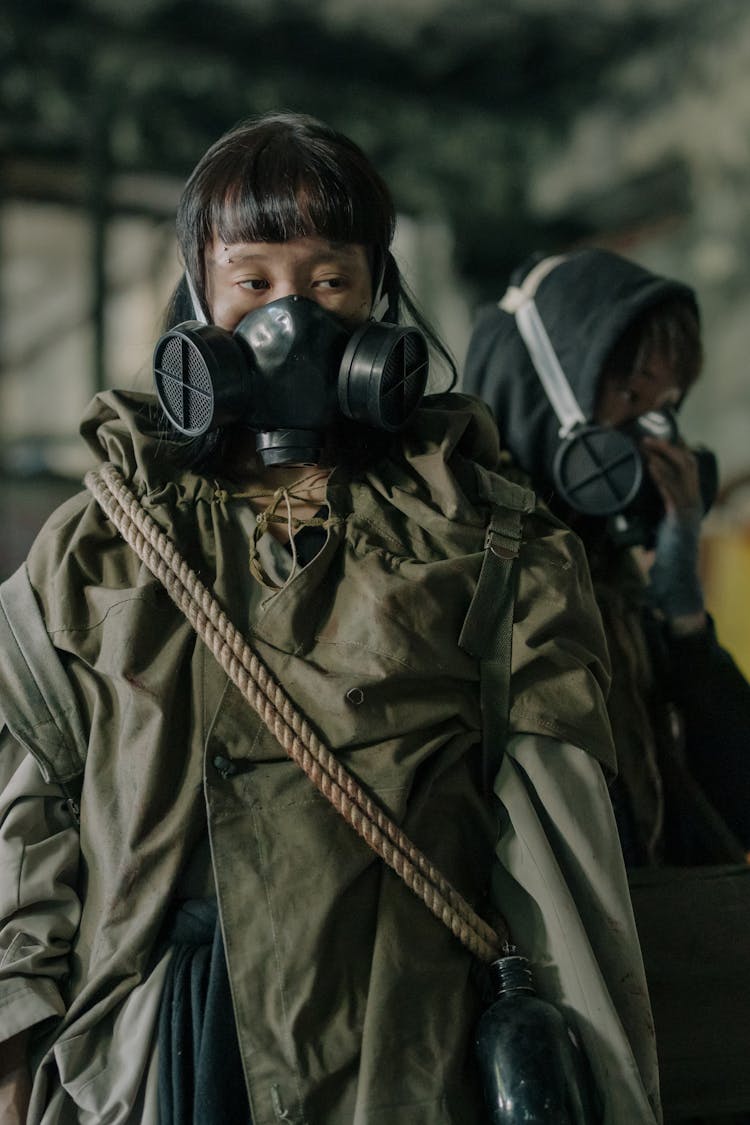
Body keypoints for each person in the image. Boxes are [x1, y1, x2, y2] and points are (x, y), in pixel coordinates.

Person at [0, 115, 659, 1124]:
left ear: (376, 297)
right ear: (200, 297)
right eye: (253, 282)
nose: (288, 317)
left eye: (328, 280)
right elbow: (26, 803)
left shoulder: (484, 535)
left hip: (405, 1037)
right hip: (168, 1040)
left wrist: (605, 1084)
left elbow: (560, 844)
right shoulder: (97, 545)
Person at [463, 247, 750, 868]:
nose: (653, 434)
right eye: (631, 393)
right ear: (545, 386)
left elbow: (738, 797)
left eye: (667, 405)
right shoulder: (467, 558)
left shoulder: (604, 565)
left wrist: (682, 617)